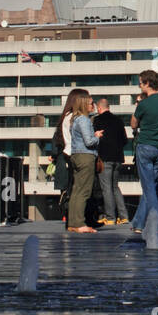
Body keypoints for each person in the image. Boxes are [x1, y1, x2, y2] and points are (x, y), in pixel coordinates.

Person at [130, 70, 158, 233]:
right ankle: (139, 223)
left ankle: (157, 223)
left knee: (148, 188)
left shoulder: (144, 104)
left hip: (145, 147)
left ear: (147, 83)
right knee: (151, 186)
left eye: (140, 83)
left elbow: (133, 124)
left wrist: (138, 108)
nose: (139, 85)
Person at [59, 88, 99, 233]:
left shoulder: (74, 119)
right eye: (91, 103)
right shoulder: (84, 120)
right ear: (83, 104)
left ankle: (73, 223)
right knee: (84, 191)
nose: (93, 106)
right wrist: (97, 137)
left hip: (75, 155)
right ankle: (80, 223)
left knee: (76, 191)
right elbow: (89, 142)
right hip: (85, 156)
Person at [93, 98, 129, 225]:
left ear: (99, 108)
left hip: (104, 158)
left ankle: (110, 217)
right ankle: (124, 216)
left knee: (106, 188)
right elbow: (125, 140)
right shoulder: (118, 120)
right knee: (115, 187)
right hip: (118, 158)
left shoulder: (97, 120)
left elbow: (93, 139)